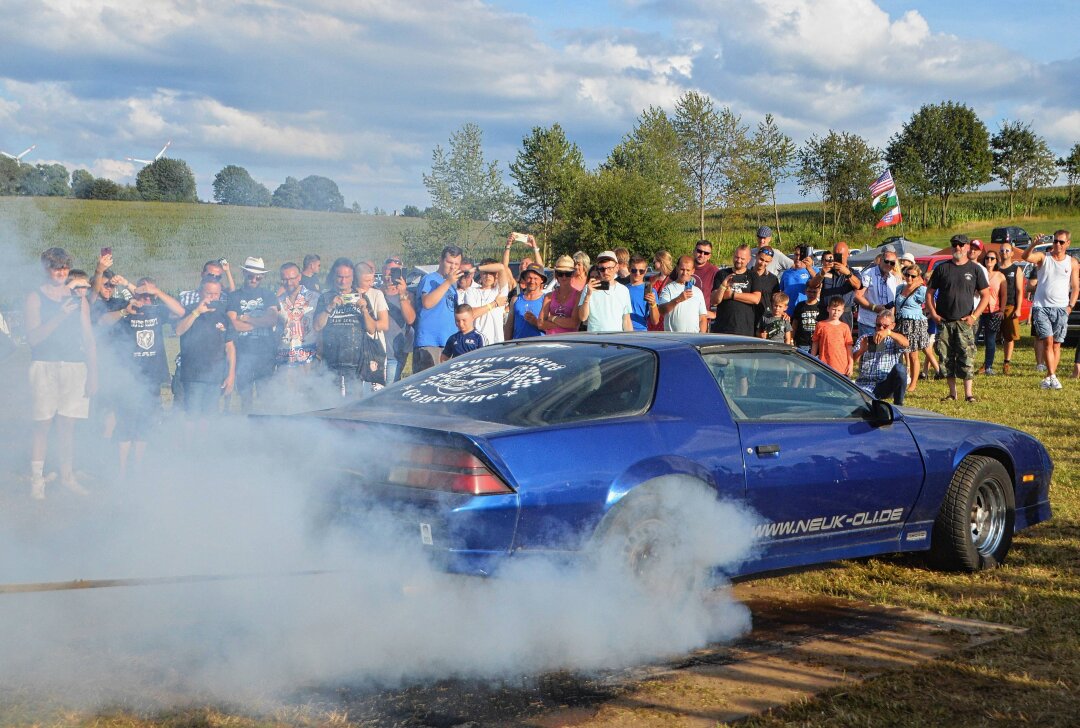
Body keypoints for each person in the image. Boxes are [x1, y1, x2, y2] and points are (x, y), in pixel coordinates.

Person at [24, 247, 98, 499]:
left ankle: (67, 476)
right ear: (45, 268)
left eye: (65, 267)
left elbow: (89, 338)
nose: (61, 272)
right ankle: (37, 481)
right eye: (56, 267)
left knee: (68, 425)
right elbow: (33, 339)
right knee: (42, 425)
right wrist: (58, 315)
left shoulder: (79, 299)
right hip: (44, 365)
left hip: (74, 367)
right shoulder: (34, 297)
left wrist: (94, 373)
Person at [98, 278, 184, 478]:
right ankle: (120, 471)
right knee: (126, 424)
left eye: (149, 296)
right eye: (142, 295)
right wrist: (125, 311)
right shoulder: (123, 306)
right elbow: (102, 322)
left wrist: (157, 292)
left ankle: (136, 469)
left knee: (145, 424)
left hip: (153, 375)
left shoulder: (157, 310)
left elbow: (180, 312)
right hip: (128, 375)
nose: (145, 299)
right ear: (135, 293)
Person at [926, 234, 990, 402]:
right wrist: (933, 313)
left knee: (966, 356)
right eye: (955, 245)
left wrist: (974, 316)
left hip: (964, 322)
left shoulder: (975, 269)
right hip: (944, 322)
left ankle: (969, 394)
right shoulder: (942, 268)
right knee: (946, 357)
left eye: (961, 245)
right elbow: (929, 293)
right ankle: (952, 394)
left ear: (967, 247)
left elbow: (985, 295)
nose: (958, 248)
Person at [174, 278, 235, 424]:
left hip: (215, 377)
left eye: (216, 294)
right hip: (193, 376)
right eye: (209, 293)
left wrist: (231, 375)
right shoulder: (189, 310)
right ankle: (190, 446)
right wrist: (196, 312)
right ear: (200, 293)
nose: (213, 297)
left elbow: (230, 347)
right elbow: (178, 331)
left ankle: (205, 445)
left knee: (209, 418)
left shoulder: (223, 317)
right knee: (191, 417)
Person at [1023, 230, 1078, 390]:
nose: (1057, 245)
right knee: (1047, 340)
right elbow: (1026, 257)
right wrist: (1034, 244)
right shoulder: (1043, 257)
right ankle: (1053, 376)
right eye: (1055, 241)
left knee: (1056, 344)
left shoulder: (1072, 262)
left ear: (1068, 243)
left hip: (1061, 308)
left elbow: (1075, 287)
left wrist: (1070, 307)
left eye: (1061, 242)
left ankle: (1049, 377)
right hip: (1042, 307)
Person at [227, 256, 278, 412]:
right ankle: (246, 428)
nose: (254, 279)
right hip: (243, 353)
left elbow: (272, 320)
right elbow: (233, 324)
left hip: (265, 354)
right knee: (245, 397)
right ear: (243, 273)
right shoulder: (234, 296)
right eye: (250, 275)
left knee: (266, 397)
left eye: (258, 276)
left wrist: (248, 319)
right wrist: (259, 322)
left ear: (263, 276)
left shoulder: (269, 295)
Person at [314, 258, 369, 399]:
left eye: (347, 277)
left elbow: (372, 329)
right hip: (331, 361)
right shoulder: (325, 297)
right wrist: (329, 307)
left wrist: (365, 310)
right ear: (334, 276)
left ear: (353, 278)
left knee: (354, 403)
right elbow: (317, 326)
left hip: (356, 361)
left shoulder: (362, 296)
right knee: (332, 403)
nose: (343, 281)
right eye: (339, 277)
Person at [414, 245, 463, 372]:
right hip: (430, 343)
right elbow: (427, 303)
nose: (453, 267)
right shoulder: (429, 279)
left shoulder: (453, 286)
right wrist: (447, 282)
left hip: (449, 343)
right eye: (449, 262)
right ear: (440, 260)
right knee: (428, 386)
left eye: (456, 264)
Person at [852, 309, 909, 405]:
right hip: (866, 384)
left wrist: (889, 333)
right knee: (856, 403)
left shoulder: (893, 340)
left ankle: (899, 403)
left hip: (886, 383)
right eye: (878, 325)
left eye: (885, 326)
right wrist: (862, 350)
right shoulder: (865, 338)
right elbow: (852, 360)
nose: (881, 328)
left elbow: (906, 343)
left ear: (892, 325)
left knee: (900, 369)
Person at [711, 245, 764, 336]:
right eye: (737, 257)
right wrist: (723, 287)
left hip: (744, 329)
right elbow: (714, 301)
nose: (739, 261)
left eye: (742, 259)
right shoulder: (722, 274)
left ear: (749, 259)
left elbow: (756, 299)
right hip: (722, 329)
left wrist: (731, 295)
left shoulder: (753, 276)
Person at [379, 256, 416, 383]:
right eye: (389, 270)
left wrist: (402, 294)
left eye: (396, 271)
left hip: (395, 353)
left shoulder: (408, 295)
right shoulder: (375, 292)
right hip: (374, 352)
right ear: (383, 270)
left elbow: (410, 319)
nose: (390, 274)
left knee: (389, 389)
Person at [355, 261, 391, 391]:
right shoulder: (349, 294)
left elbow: (384, 324)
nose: (370, 283)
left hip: (374, 348)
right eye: (366, 280)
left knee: (375, 389)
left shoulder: (377, 294)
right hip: (354, 351)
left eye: (372, 279)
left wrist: (368, 319)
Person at [276, 262, 318, 372]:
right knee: (286, 389)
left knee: (310, 388)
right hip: (285, 355)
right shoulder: (277, 301)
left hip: (309, 354)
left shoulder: (315, 297)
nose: (289, 283)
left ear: (299, 277)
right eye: (284, 279)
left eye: (292, 278)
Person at [894, 264, 930, 392]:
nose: (909, 278)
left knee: (913, 355)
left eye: (913, 276)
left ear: (918, 277)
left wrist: (926, 314)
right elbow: (895, 304)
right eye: (907, 275)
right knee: (901, 353)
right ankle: (899, 379)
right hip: (900, 323)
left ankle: (913, 384)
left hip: (914, 324)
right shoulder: (900, 288)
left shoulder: (921, 290)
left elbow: (931, 301)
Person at [855, 246, 903, 340]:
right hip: (869, 323)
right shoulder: (868, 274)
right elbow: (857, 296)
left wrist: (891, 323)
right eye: (886, 261)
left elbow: (892, 304)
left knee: (883, 353)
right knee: (867, 352)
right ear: (880, 259)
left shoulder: (893, 279)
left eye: (892, 263)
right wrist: (874, 307)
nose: (889, 264)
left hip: (885, 326)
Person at [577, 251, 632, 332]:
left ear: (617, 268)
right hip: (596, 340)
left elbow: (626, 320)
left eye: (609, 268)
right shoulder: (589, 288)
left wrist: (629, 340)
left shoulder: (624, 290)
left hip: (616, 341)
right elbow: (582, 317)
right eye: (602, 269)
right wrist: (588, 295)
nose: (606, 272)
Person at [810, 244, 861, 331]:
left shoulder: (853, 272)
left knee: (843, 342)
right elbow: (812, 285)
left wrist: (847, 273)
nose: (838, 257)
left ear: (848, 254)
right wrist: (822, 273)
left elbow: (858, 285)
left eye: (840, 255)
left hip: (844, 315)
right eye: (835, 254)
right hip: (825, 313)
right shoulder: (827, 270)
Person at [657, 255, 708, 333]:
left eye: (688, 270)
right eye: (682, 269)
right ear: (677, 268)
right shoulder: (668, 288)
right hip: (674, 339)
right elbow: (661, 310)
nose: (685, 273)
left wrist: (701, 336)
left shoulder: (698, 292)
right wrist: (678, 299)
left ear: (693, 271)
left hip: (693, 339)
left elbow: (702, 318)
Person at [978, 251, 1008, 375]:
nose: (989, 260)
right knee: (972, 339)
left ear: (996, 261)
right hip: (978, 311)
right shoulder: (979, 272)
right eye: (987, 258)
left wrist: (1001, 310)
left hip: (993, 311)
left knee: (990, 341)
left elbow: (1004, 294)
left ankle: (988, 366)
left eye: (992, 258)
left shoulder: (1000, 276)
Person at [997, 243, 1025, 375]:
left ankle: (1006, 363)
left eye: (1007, 250)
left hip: (1010, 305)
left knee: (1009, 337)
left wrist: (1018, 308)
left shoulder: (1016, 269)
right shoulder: (994, 268)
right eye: (1002, 250)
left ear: (1012, 253)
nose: (1004, 252)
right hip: (994, 306)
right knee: (991, 337)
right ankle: (987, 363)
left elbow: (1020, 290)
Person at [811, 296, 853, 377]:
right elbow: (815, 342)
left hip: (841, 366)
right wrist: (812, 359)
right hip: (824, 365)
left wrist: (850, 364)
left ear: (842, 311)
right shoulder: (820, 325)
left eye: (839, 310)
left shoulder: (845, 327)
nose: (836, 312)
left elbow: (849, 347)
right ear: (828, 309)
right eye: (833, 309)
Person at [538, 256, 580, 335]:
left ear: (572, 274)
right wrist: (564, 323)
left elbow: (574, 323)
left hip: (570, 343)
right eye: (560, 273)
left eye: (567, 274)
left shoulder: (578, 295)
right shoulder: (548, 296)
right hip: (550, 342)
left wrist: (551, 318)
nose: (564, 277)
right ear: (556, 275)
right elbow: (540, 323)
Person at [506, 265, 548, 339]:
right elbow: (509, 325)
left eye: (535, 278)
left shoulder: (546, 300)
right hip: (518, 345)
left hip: (540, 346)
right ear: (525, 278)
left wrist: (536, 322)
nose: (532, 281)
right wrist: (506, 345)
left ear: (541, 280)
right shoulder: (515, 299)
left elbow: (552, 329)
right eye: (529, 278)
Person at [749, 247, 780, 333]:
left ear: (770, 261)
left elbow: (776, 300)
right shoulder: (746, 275)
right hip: (748, 318)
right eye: (761, 259)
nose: (763, 263)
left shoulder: (773, 279)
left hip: (766, 319)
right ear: (756, 256)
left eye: (766, 261)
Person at [779, 246, 815, 317]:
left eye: (800, 255)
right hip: (788, 314)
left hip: (806, 313)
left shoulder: (813, 270)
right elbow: (781, 293)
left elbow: (819, 283)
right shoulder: (786, 273)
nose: (798, 258)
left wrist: (809, 268)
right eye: (796, 254)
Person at [792, 278, 822, 354]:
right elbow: (795, 324)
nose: (811, 294)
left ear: (819, 292)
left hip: (817, 342)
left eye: (814, 292)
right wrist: (792, 338)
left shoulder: (821, 306)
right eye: (809, 291)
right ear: (805, 291)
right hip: (802, 342)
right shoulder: (800, 305)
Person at [647, 250, 674, 331]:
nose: (654, 263)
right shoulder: (653, 278)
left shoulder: (673, 278)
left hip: (665, 313)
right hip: (653, 312)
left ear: (661, 262)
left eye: (655, 261)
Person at [625, 255, 651, 331]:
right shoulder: (622, 289)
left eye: (641, 271)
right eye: (634, 270)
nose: (637, 273)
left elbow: (655, 321)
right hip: (622, 330)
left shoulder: (650, 290)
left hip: (641, 332)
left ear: (646, 271)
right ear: (629, 269)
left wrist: (653, 304)